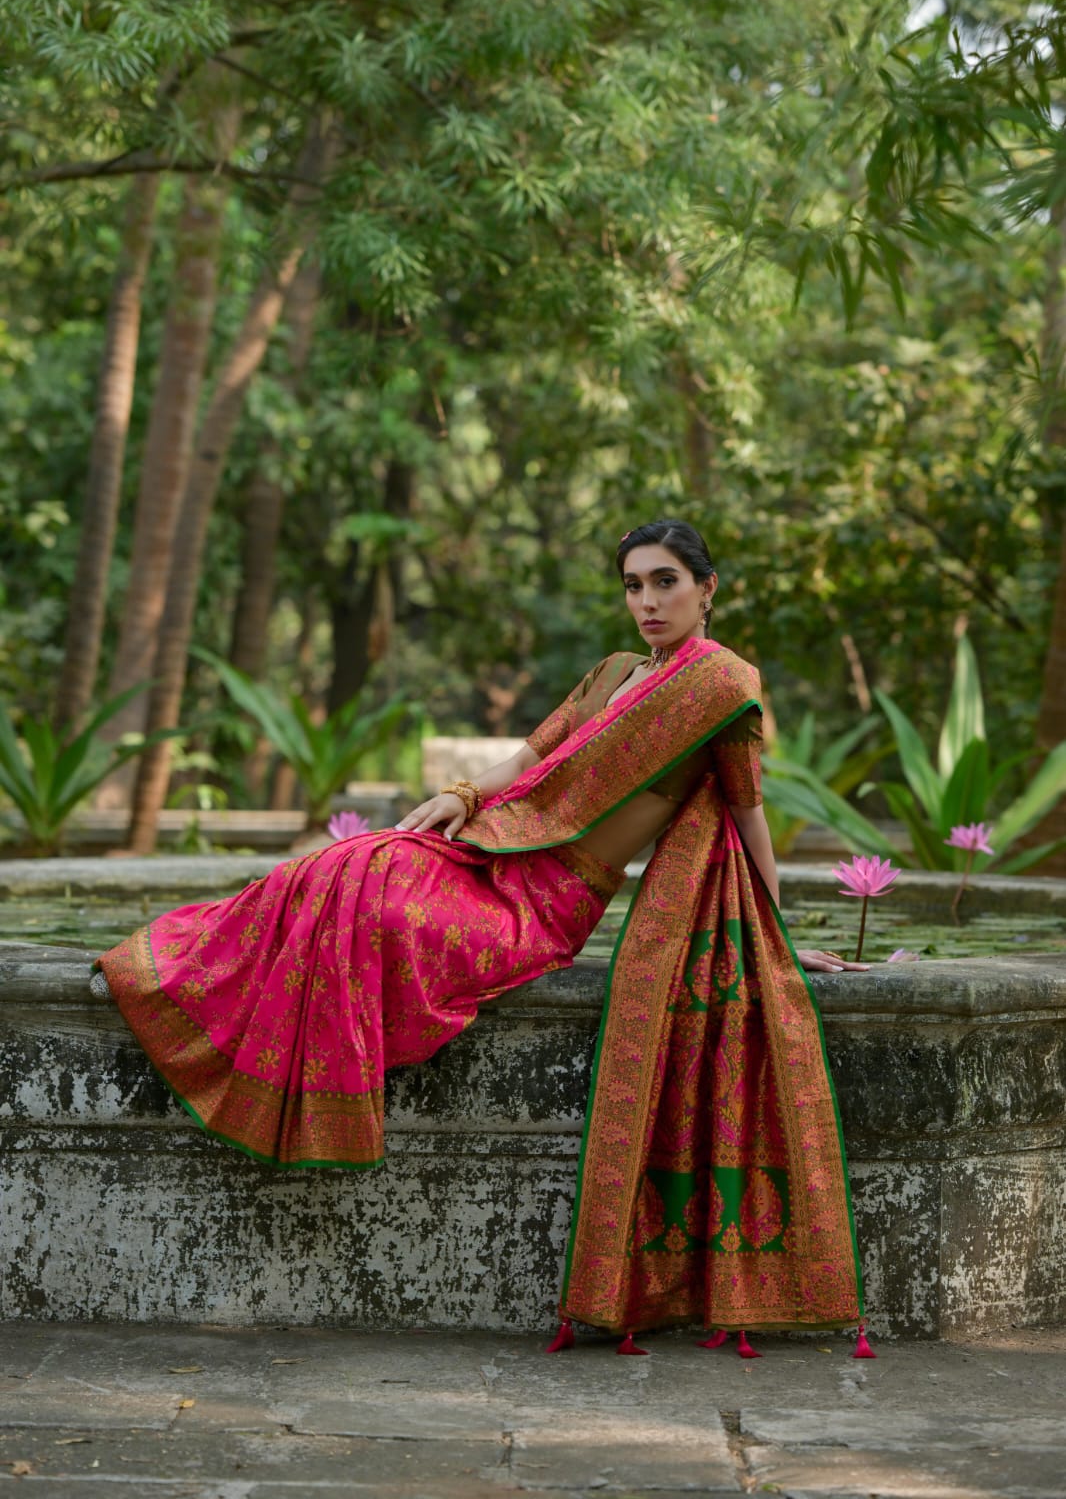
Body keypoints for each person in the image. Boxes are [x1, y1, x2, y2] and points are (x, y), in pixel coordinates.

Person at [94, 518, 872, 1355]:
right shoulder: (612, 673)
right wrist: (464, 796)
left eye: (665, 582)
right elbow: (528, 757)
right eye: (633, 585)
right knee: (345, 866)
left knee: (381, 904)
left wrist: (775, 933)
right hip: (491, 851)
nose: (646, 601)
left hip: (545, 902)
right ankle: (174, 978)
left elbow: (747, 814)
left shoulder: (723, 685)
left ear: (707, 588)